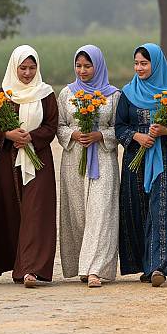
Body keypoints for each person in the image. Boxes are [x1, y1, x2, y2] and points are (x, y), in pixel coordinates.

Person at [115, 43, 167, 287]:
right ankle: (144, 264)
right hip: (135, 160)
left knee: (162, 209)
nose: (139, 68)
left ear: (155, 64)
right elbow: (120, 127)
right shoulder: (127, 93)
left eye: (144, 63)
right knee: (137, 210)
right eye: (136, 63)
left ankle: (158, 267)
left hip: (164, 159)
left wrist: (165, 130)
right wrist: (137, 136)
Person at [0, 45, 58, 288]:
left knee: (36, 213)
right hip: (9, 161)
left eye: (32, 68)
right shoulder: (2, 94)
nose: (28, 73)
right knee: (13, 211)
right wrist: (9, 135)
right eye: (23, 68)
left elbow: (51, 125)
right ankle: (18, 266)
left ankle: (32, 269)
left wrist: (31, 137)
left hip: (39, 160)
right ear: (14, 67)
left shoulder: (46, 94)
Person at [57, 45, 120, 288]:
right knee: (78, 214)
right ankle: (82, 265)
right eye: (79, 65)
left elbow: (120, 128)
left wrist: (100, 135)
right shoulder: (67, 94)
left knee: (101, 212)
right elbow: (59, 126)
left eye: (88, 66)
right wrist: (73, 135)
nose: (82, 71)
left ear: (98, 66)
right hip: (74, 160)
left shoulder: (113, 95)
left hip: (104, 160)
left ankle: (95, 270)